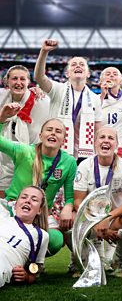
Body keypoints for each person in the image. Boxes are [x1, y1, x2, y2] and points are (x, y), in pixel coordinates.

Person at [0, 103, 77, 256]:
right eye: (49, 130)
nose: (53, 133)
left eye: (58, 131)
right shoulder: (24, 151)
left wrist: (68, 207)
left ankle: (31, 261)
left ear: (63, 139)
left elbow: (69, 196)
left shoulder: (69, 162)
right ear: (40, 135)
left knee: (55, 240)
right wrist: (2, 118)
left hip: (40, 214)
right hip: (13, 208)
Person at [74, 127, 122, 277]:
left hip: (113, 218)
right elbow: (78, 201)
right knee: (71, 219)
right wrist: (95, 221)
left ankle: (117, 261)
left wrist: (106, 219)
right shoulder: (85, 166)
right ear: (95, 142)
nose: (106, 141)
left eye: (110, 138)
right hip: (90, 217)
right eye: (102, 137)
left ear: (116, 144)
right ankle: (79, 261)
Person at [34, 40, 103, 162]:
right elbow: (39, 77)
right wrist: (44, 52)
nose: (78, 66)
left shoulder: (94, 98)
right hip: (56, 151)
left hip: (84, 155)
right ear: (67, 74)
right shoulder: (57, 89)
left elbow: (98, 131)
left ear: (88, 74)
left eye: (82, 64)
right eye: (73, 64)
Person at [0, 65, 49, 197]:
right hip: (4, 158)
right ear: (7, 81)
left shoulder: (41, 100)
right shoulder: (1, 97)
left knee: (27, 197)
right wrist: (2, 117)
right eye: (14, 78)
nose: (18, 82)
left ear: (28, 82)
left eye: (22, 79)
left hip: (30, 159)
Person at [0, 186, 49, 288]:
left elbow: (35, 272)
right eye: (23, 197)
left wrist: (26, 276)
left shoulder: (41, 235)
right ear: (15, 204)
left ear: (39, 210)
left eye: (34, 199)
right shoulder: (3, 217)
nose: (28, 201)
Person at [98, 67, 122, 158]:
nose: (111, 75)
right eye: (108, 74)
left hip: (118, 147)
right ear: (101, 80)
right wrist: (102, 96)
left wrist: (120, 133)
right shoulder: (94, 99)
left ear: (121, 80)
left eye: (115, 74)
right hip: (98, 146)